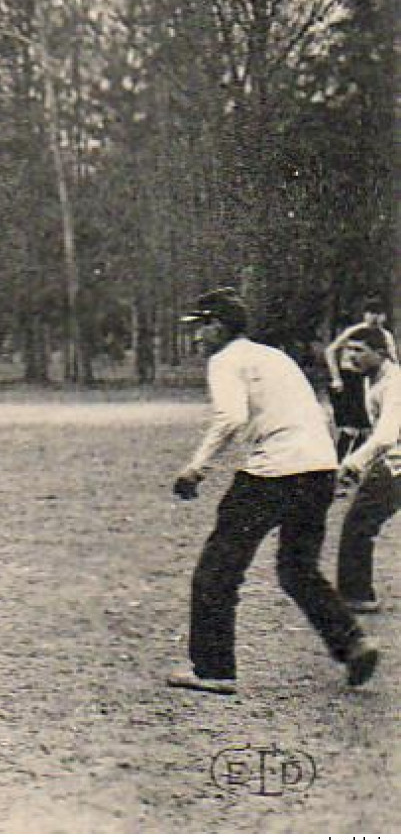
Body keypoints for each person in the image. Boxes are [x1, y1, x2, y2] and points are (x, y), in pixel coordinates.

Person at [166, 288, 379, 695]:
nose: (196, 338)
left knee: (218, 568)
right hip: (318, 467)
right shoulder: (274, 356)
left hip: (272, 471)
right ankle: (352, 642)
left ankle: (213, 670)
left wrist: (196, 469)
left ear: (219, 327)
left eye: (201, 327)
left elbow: (230, 417)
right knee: (297, 569)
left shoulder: (226, 360)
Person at [335, 325, 399, 614]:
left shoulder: (393, 383)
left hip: (397, 464)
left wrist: (353, 462)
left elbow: (386, 436)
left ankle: (357, 595)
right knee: (360, 521)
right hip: (391, 462)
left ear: (381, 353)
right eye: (349, 349)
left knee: (359, 522)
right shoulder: (371, 379)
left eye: (360, 350)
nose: (351, 356)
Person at [326, 298, 396, 459]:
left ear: (384, 317)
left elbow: (392, 359)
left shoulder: (386, 336)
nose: (374, 318)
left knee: (367, 426)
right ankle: (339, 460)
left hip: (371, 381)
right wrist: (336, 377)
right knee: (349, 426)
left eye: (379, 314)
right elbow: (330, 350)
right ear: (365, 315)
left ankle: (357, 461)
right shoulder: (355, 332)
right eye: (371, 313)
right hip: (350, 379)